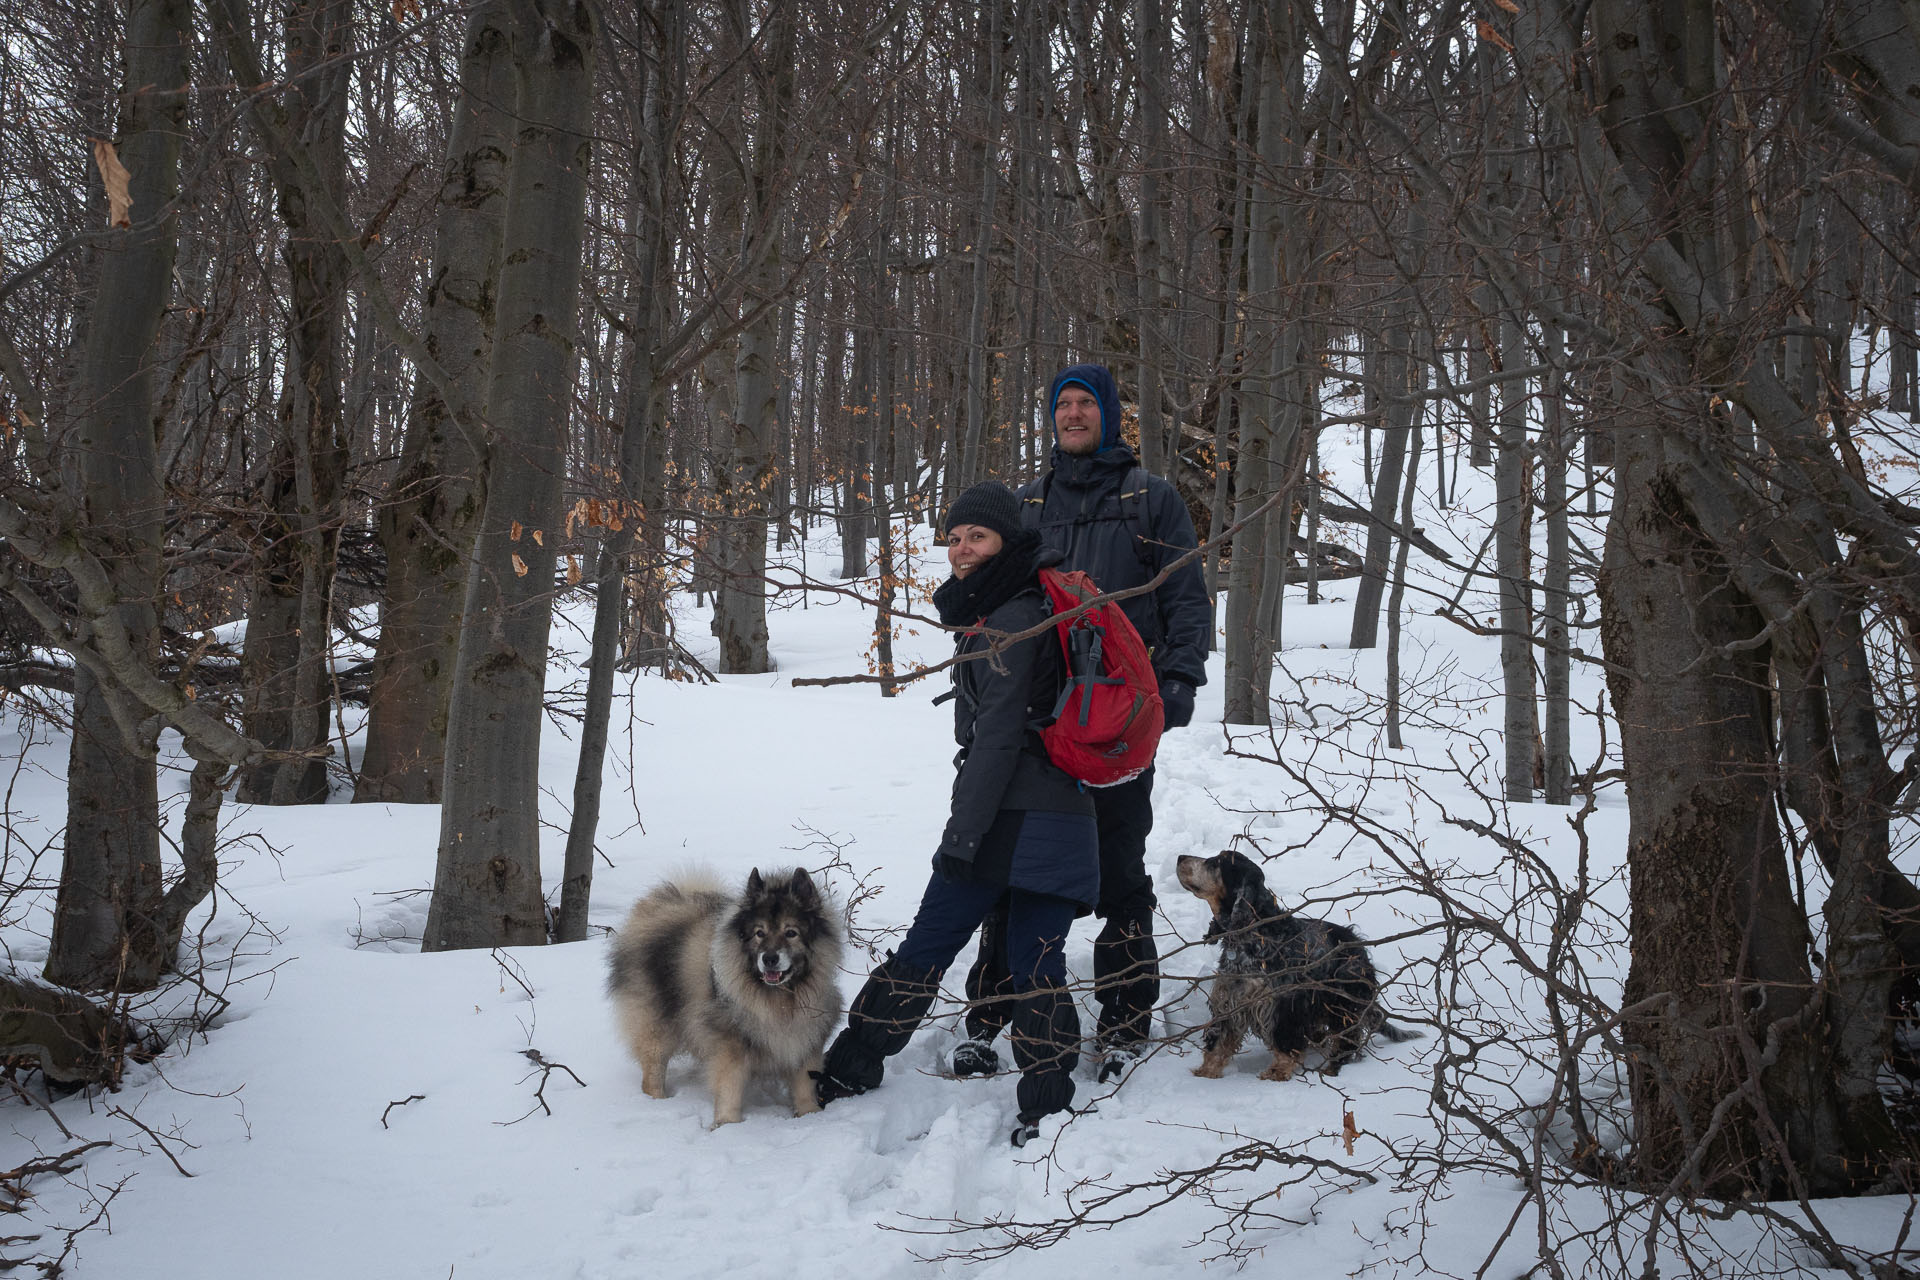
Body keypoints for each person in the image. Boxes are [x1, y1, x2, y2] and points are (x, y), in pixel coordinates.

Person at [814, 481, 1099, 1147]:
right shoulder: (1028, 603)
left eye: (978, 536)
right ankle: (1047, 1106)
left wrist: (963, 836)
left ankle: (848, 1073)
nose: (962, 549)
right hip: (1066, 815)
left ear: (1006, 541)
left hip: (1011, 813)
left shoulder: (1007, 622)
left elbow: (996, 741)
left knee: (927, 946)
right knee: (1039, 965)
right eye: (954, 537)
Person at [952, 363, 1211, 1084]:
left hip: (1118, 719)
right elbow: (986, 606)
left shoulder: (1151, 500)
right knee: (1013, 864)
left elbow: (1188, 596)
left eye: (1083, 404)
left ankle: (1125, 1020)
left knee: (1120, 867)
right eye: (1061, 404)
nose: (1071, 414)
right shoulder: (1024, 503)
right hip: (1037, 722)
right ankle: (990, 1016)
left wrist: (1181, 676)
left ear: (1108, 415)